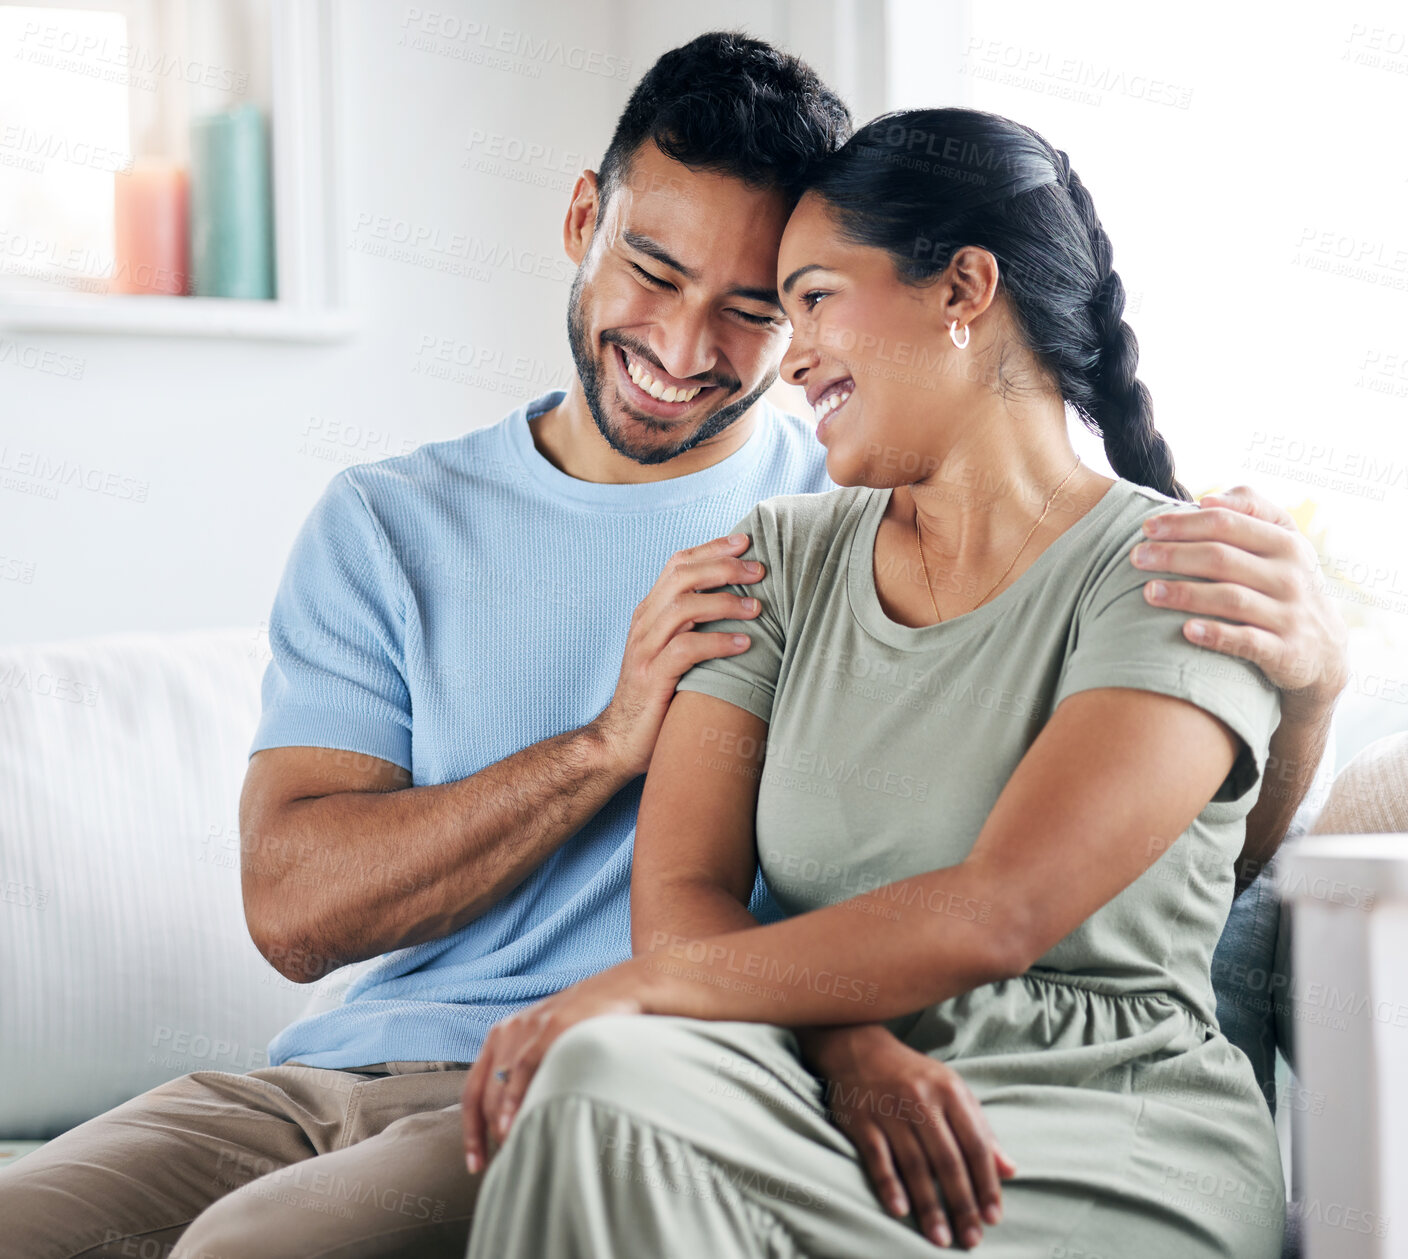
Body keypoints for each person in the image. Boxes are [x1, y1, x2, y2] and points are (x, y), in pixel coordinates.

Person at [0, 37, 1339, 1259]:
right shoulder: (424, 525)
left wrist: (1318, 686)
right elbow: (295, 912)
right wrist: (603, 745)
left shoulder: (907, 517)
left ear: (956, 292)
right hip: (368, 1069)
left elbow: (1140, 856)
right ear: (585, 219)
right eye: (654, 272)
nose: (696, 347)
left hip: (668, 1069)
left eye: (774, 302)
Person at [462, 108, 1319, 1259]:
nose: (791, 352)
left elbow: (996, 909)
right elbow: (680, 891)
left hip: (1096, 1121)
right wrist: (846, 1042)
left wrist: (619, 992)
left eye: (812, 297)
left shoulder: (1175, 573)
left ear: (962, 287)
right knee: (603, 1084)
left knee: (607, 1044)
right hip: (820, 1084)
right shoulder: (775, 557)